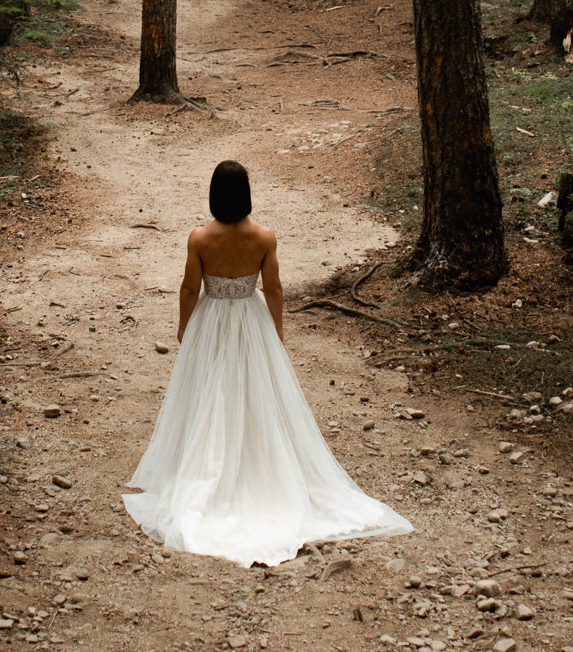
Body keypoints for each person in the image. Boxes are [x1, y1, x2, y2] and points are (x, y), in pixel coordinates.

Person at [122, 160, 412, 567]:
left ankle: (209, 461)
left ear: (214, 196)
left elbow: (189, 287)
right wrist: (276, 329)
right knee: (256, 391)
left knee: (210, 389)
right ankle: (259, 464)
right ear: (246, 195)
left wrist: (185, 326)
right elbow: (273, 287)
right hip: (251, 319)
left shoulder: (200, 238)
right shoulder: (264, 237)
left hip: (212, 319)